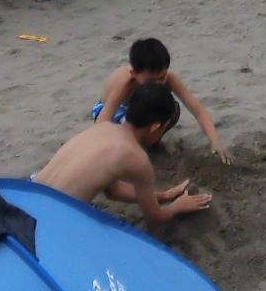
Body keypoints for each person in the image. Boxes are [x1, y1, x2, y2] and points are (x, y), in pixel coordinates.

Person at [35, 84, 213, 230]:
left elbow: (113, 190)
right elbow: (155, 220)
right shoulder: (137, 158)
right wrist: (177, 207)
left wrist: (164, 196)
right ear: (155, 127)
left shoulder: (102, 127)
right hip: (49, 220)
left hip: (27, 193)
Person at [93, 38, 232, 162]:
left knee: (172, 108)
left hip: (142, 112)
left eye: (162, 77)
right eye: (151, 80)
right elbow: (103, 120)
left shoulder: (169, 78)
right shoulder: (125, 84)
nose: (158, 84)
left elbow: (198, 110)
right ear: (134, 74)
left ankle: (150, 143)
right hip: (113, 112)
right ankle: (138, 146)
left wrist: (215, 141)